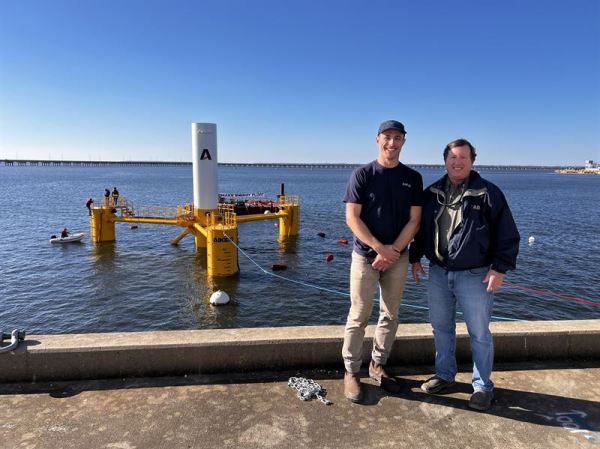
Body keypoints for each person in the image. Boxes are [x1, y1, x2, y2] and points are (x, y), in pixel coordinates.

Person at [409, 138, 520, 411]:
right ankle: (445, 375)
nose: (457, 162)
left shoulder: (488, 193)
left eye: (463, 158)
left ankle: (482, 387)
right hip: (438, 272)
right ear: (445, 160)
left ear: (472, 161)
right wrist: (415, 258)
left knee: (479, 333)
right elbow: (421, 230)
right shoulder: (431, 192)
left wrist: (499, 268)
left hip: (475, 275)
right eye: (453, 157)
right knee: (441, 328)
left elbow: (507, 233)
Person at [342, 120, 423, 402]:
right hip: (365, 257)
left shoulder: (412, 178)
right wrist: (379, 248)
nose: (392, 142)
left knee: (390, 314)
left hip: (397, 258)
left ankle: (378, 364)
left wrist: (394, 251)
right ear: (377, 140)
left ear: (404, 141)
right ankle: (351, 371)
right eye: (387, 137)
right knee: (359, 314)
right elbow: (352, 218)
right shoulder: (362, 174)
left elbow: (415, 220)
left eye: (397, 137)